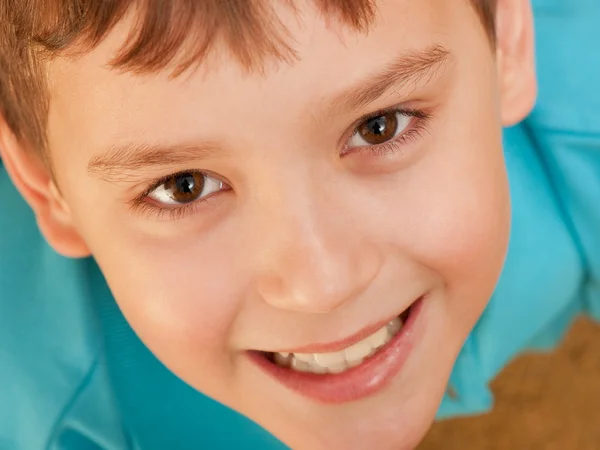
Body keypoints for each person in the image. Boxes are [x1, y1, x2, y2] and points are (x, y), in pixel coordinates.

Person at [0, 0, 598, 448]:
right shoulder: (40, 409)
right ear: (48, 193)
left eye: (380, 126)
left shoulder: (584, 119)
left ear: (507, 47)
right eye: (184, 187)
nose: (322, 284)